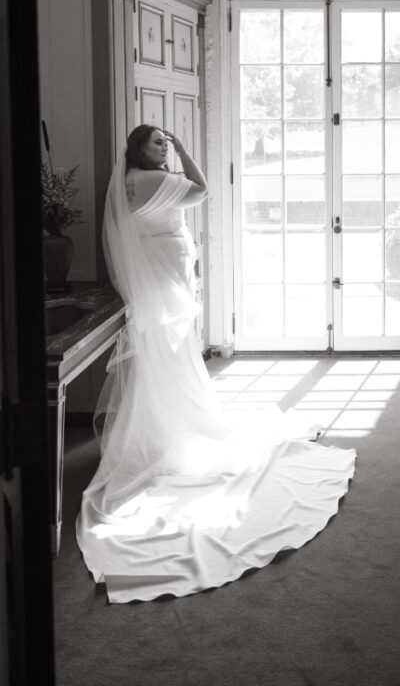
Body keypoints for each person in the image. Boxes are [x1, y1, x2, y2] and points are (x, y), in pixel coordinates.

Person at [76, 124, 355, 604]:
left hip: (163, 278)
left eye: (168, 141)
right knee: (173, 359)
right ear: (138, 149)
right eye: (157, 142)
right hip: (165, 283)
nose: (164, 146)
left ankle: (163, 426)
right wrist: (185, 151)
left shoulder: (132, 181)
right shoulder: (153, 180)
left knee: (168, 361)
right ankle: (171, 431)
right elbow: (202, 191)